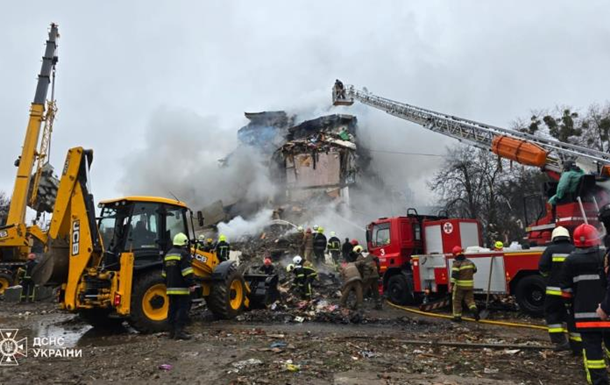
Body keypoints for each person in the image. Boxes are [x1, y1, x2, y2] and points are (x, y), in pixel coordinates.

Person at [561, 224, 610, 385]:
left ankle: (599, 381)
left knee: (592, 351)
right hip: (607, 311)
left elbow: (566, 290)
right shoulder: (604, 255)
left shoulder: (570, 261)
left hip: (584, 316)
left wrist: (569, 307)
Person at [538, 226, 579, 352]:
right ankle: (577, 345)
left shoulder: (550, 250)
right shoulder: (574, 249)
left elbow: (543, 268)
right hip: (571, 292)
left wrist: (548, 277)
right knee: (572, 317)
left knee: (553, 315)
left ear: (554, 237)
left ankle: (560, 342)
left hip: (553, 292)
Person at [162, 233, 197, 340]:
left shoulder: (168, 255)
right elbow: (187, 272)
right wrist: (191, 284)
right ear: (184, 243)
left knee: (172, 309)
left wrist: (168, 285)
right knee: (182, 310)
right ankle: (179, 332)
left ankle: (171, 332)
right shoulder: (184, 254)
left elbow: (164, 274)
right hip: (182, 289)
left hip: (170, 288)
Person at [450, 246, 479, 322]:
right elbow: (475, 270)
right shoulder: (470, 262)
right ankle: (474, 309)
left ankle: (457, 317)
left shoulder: (456, 263)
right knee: (470, 300)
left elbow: (454, 276)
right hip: (469, 285)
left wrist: (451, 286)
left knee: (456, 301)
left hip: (459, 286)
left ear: (455, 254)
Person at [354, 245, 382, 310]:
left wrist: (361, 277)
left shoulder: (359, 257)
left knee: (362, 290)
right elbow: (377, 259)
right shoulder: (370, 255)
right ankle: (378, 305)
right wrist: (378, 269)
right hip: (375, 274)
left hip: (368, 276)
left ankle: (357, 305)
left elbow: (359, 269)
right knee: (375, 290)